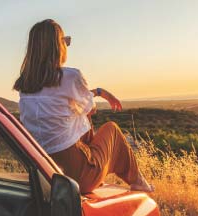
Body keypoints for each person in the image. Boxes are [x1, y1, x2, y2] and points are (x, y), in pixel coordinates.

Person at [13, 19, 154, 193]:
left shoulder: (25, 86)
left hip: (43, 171)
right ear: (58, 46)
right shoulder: (70, 76)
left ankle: (100, 170)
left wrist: (98, 92)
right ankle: (138, 181)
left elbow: (61, 101)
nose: (66, 45)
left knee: (77, 116)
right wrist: (99, 93)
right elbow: (90, 109)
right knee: (112, 130)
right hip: (75, 175)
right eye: (65, 41)